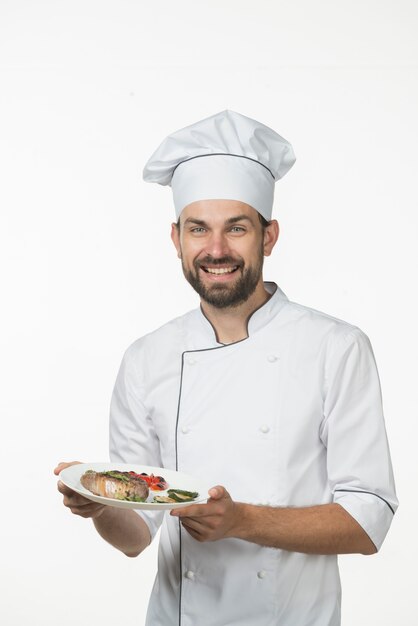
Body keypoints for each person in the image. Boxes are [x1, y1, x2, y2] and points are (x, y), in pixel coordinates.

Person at [56, 110, 398, 626]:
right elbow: (136, 537)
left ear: (269, 236)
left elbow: (367, 522)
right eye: (199, 230)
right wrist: (101, 506)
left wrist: (240, 521)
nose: (216, 250)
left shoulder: (336, 347)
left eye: (235, 228)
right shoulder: (147, 359)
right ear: (177, 240)